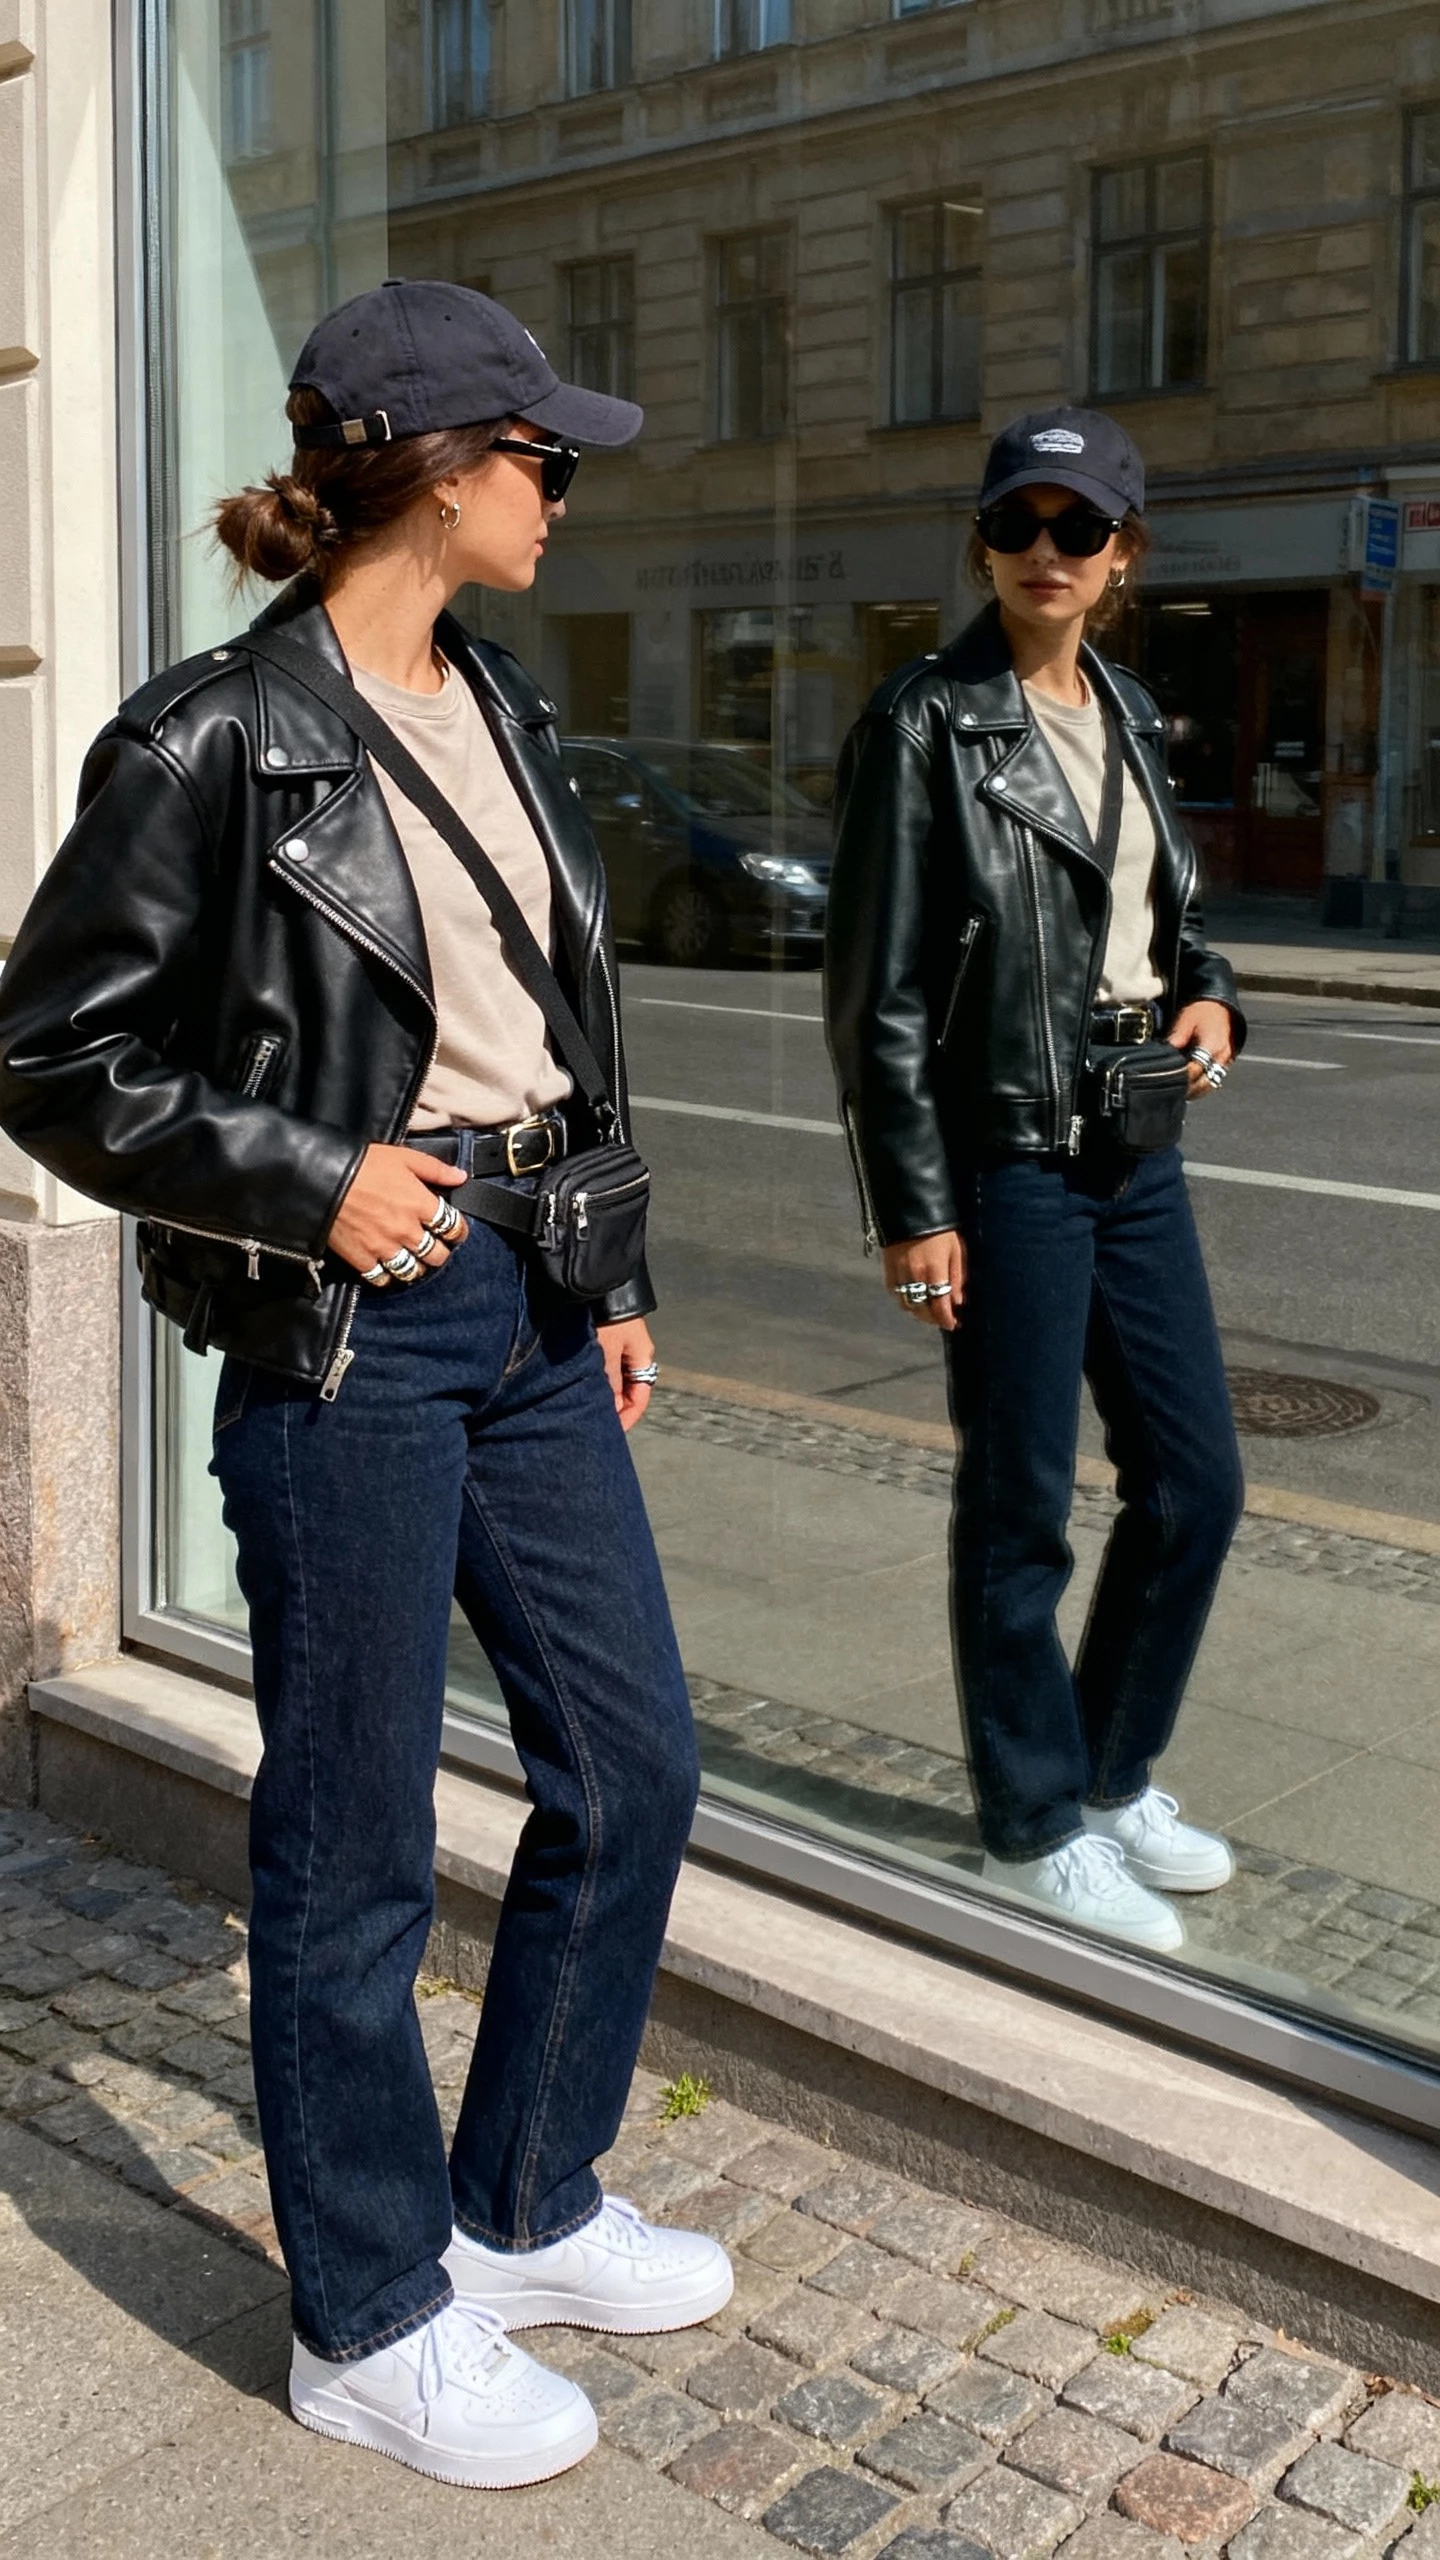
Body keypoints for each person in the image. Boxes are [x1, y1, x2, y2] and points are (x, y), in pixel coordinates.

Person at [0, 280, 732, 2492]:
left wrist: (602, 1259)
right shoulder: (212, 735)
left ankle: (515, 2196)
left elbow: (551, 1019)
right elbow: (51, 1048)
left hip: (524, 1304)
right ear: (431, 460)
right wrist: (310, 1176)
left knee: (635, 1761)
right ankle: (371, 2310)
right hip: (357, 1331)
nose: (565, 488)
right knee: (349, 1841)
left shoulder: (495, 702)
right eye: (544, 454)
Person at [825, 407, 1246, 1956]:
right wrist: (913, 1206)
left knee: (1196, 1482)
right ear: (984, 544)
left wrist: (1215, 1001)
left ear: (1124, 553)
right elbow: (870, 995)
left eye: (1081, 530)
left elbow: (1171, 926)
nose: (1047, 555)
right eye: (1022, 526)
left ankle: (1112, 1768)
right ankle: (1028, 1822)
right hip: (1005, 1157)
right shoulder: (926, 725)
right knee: (1020, 1507)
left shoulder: (1132, 710)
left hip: (1135, 1147)